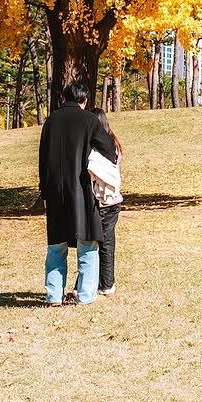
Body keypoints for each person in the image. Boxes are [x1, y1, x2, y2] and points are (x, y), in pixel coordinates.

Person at [38, 80, 118, 306]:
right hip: (82, 190)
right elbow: (109, 150)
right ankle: (85, 295)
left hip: (54, 191)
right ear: (84, 100)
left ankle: (54, 295)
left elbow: (43, 159)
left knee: (56, 245)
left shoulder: (51, 121)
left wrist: (44, 192)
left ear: (65, 97)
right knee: (87, 243)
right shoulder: (89, 120)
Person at [89, 108, 123, 297]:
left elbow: (93, 171)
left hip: (102, 201)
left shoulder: (97, 149)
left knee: (92, 243)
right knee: (107, 243)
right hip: (114, 200)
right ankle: (107, 283)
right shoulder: (114, 144)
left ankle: (89, 284)